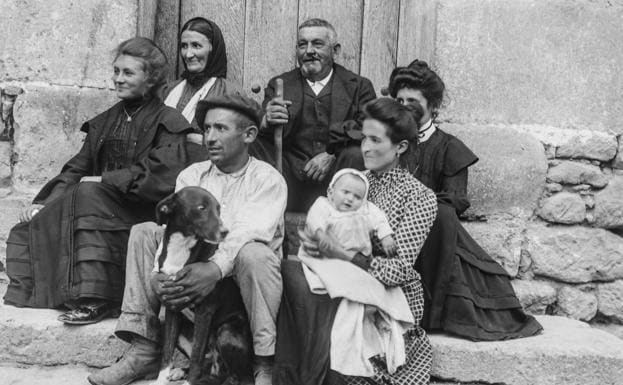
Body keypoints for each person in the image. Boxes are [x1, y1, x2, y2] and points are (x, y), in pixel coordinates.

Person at [87, 94, 287, 385]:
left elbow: (245, 232)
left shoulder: (267, 179)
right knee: (144, 232)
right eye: (206, 129)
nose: (210, 138)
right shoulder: (193, 174)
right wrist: (158, 273)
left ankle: (262, 363)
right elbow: (171, 231)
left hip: (239, 296)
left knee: (254, 253)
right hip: (195, 280)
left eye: (221, 128)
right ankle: (144, 348)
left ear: (249, 135)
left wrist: (214, 269)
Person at [4, 37, 195, 325]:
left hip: (142, 213)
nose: (118, 79)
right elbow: (76, 168)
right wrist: (44, 202)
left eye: (128, 73)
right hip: (98, 207)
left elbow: (163, 175)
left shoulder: (168, 120)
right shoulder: (104, 121)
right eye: (116, 71)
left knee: (89, 193)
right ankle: (68, 291)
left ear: (151, 78)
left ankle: (99, 299)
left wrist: (105, 180)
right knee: (30, 224)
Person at [273, 98, 437, 385]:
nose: (366, 148)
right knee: (287, 274)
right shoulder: (352, 181)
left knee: (316, 298)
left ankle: (317, 376)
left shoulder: (420, 197)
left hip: (386, 291)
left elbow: (398, 270)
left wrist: (342, 253)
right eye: (364, 138)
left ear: (400, 147)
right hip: (335, 273)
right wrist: (315, 242)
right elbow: (325, 220)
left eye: (376, 140)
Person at [388, 59, 542, 340]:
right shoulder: (389, 143)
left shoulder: (449, 147)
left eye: (413, 99)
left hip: (432, 234)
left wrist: (416, 207)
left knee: (443, 215)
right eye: (399, 99)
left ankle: (430, 312)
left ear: (433, 105)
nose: (405, 104)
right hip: (390, 228)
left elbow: (454, 200)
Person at [251, 18, 376, 212]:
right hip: (290, 177)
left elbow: (368, 129)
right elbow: (262, 134)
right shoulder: (280, 85)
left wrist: (331, 155)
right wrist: (266, 121)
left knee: (356, 153)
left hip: (337, 177)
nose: (309, 51)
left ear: (335, 51)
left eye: (317, 44)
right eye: (302, 45)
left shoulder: (359, 86)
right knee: (252, 143)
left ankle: (344, 222)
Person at [298, 168, 396, 264]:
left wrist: (385, 236)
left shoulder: (364, 209)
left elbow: (379, 219)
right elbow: (314, 220)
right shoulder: (324, 204)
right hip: (326, 255)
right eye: (345, 192)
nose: (350, 198)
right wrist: (320, 234)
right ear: (330, 192)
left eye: (357, 197)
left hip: (356, 256)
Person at [164, 17, 232, 134]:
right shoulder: (168, 90)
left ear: (212, 48)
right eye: (184, 46)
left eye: (196, 45)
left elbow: (234, 142)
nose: (188, 54)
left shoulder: (228, 93)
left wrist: (201, 141)